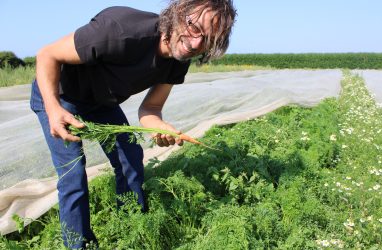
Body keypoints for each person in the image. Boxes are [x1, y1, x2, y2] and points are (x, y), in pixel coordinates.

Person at [30, 0, 236, 248]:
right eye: (195, 28)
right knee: (73, 173)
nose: (195, 44)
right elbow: (47, 55)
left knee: (130, 157)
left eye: (208, 40)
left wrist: (159, 126)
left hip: (101, 102)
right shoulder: (121, 30)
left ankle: (131, 230)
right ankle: (79, 245)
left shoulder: (179, 60)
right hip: (59, 94)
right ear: (179, 13)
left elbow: (150, 108)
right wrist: (53, 109)